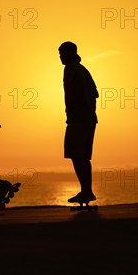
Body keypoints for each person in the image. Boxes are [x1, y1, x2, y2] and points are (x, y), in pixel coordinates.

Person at [59, 41, 99, 205]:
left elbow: (71, 94)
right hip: (89, 118)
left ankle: (86, 191)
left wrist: (73, 112)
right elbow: (95, 93)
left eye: (62, 54)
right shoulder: (83, 70)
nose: (60, 57)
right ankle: (87, 191)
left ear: (70, 53)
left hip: (79, 119)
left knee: (76, 155)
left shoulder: (70, 69)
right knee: (83, 157)